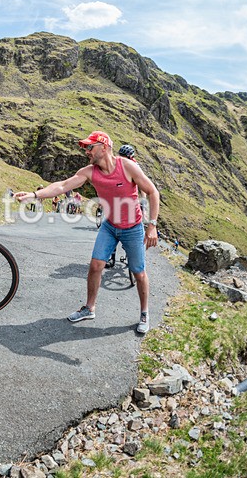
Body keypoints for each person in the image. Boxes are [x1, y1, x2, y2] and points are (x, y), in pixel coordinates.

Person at [14, 131, 159, 334]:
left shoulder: (127, 166)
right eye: (85, 148)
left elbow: (153, 192)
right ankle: (89, 308)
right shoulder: (90, 171)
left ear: (104, 147)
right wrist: (34, 194)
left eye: (90, 147)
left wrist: (151, 225)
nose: (86, 151)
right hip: (109, 225)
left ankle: (144, 313)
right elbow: (63, 185)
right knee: (95, 265)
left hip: (133, 227)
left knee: (139, 272)